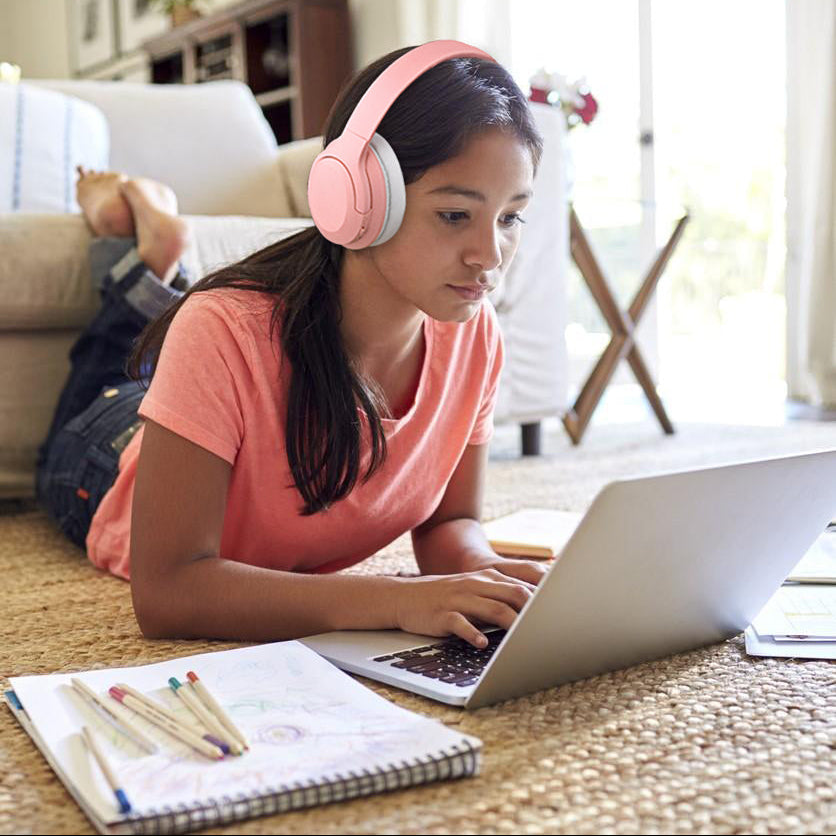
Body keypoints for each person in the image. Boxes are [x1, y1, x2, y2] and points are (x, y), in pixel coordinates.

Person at [36, 41, 548, 649]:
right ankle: (129, 243)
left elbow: (450, 523)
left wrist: (485, 573)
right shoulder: (222, 327)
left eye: (510, 218)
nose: (489, 257)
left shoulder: (474, 332)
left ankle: (152, 261)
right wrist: (395, 600)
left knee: (164, 336)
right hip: (105, 452)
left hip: (206, 394)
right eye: (455, 215)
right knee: (113, 355)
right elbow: (168, 593)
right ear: (360, 196)